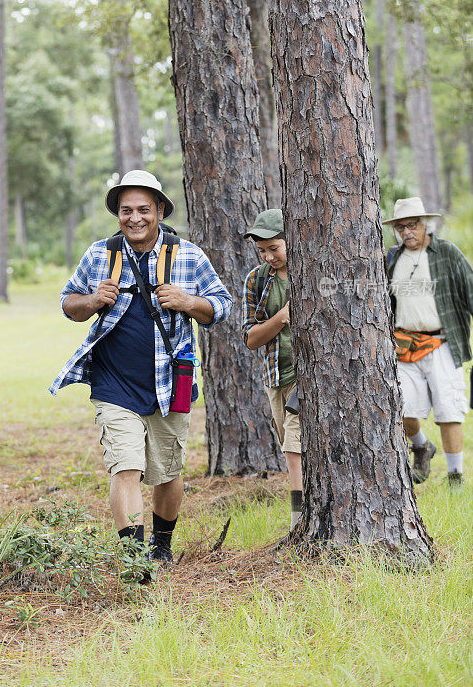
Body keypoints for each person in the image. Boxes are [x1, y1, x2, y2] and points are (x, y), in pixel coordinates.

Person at [50, 171, 232, 567]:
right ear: (118, 214)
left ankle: (162, 546)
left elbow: (221, 306)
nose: (134, 217)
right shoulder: (101, 254)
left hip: (170, 383)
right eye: (126, 210)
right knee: (126, 466)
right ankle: (135, 560)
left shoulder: (188, 255)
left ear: (160, 210)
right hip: (113, 384)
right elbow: (68, 304)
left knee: (167, 473)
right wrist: (94, 299)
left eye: (143, 210)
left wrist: (187, 301)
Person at [384, 197, 473, 486]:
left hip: (443, 343)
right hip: (404, 345)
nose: (407, 232)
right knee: (402, 407)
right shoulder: (392, 258)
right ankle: (421, 446)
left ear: (425, 225)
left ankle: (455, 478)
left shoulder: (446, 252)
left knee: (449, 412)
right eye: (401, 227)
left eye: (412, 225)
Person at [241, 209, 303, 538]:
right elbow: (251, 338)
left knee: (294, 447)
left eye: (274, 248)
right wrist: (281, 318)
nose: (268, 256)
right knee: (291, 446)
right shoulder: (256, 279)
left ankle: (298, 523)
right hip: (275, 376)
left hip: (306, 376)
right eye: (262, 250)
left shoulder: (312, 272)